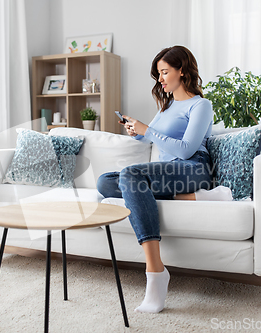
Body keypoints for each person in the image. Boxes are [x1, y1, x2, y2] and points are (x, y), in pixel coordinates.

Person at [96, 45, 230, 313]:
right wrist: (138, 131)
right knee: (104, 182)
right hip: (169, 175)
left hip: (192, 168)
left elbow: (185, 149)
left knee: (131, 175)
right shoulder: (167, 106)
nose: (160, 79)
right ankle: (194, 198)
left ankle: (155, 271)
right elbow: (154, 137)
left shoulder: (200, 105)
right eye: (158, 74)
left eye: (165, 72)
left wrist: (149, 130)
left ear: (182, 70)